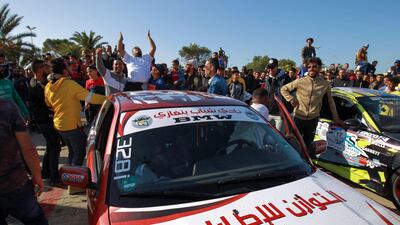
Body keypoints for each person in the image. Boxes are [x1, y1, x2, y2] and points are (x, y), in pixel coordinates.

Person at [45, 58, 106, 167]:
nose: (70, 68)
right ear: (64, 71)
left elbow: (48, 104)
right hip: (71, 126)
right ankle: (73, 178)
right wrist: (108, 98)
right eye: (68, 66)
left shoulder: (48, 86)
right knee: (80, 152)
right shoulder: (69, 84)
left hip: (59, 124)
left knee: (72, 151)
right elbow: (90, 97)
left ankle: (70, 170)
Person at [0, 99, 48, 225]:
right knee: (36, 220)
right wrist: (37, 176)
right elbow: (28, 147)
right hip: (16, 184)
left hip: (16, 183)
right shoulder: (7, 107)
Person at [281, 57, 344, 151]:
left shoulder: (325, 84)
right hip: (298, 118)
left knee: (307, 145)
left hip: (313, 120)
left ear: (319, 68)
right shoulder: (300, 81)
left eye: (314, 66)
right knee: (293, 145)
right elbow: (283, 89)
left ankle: (306, 163)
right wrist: (291, 99)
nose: (311, 69)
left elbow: (331, 102)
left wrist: (336, 117)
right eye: (309, 67)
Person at [29, 60, 61, 186]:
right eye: (46, 67)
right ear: (41, 69)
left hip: (47, 119)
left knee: (51, 145)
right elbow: (49, 97)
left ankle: (46, 172)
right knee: (54, 146)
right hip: (43, 120)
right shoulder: (35, 84)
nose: (49, 69)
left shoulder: (43, 82)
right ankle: (54, 178)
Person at [264, 58, 292, 131]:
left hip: (280, 114)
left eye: (272, 67)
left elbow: (290, 95)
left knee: (279, 137)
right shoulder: (267, 79)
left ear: (277, 67)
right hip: (269, 113)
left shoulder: (286, 78)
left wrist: (286, 111)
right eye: (269, 67)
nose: (270, 69)